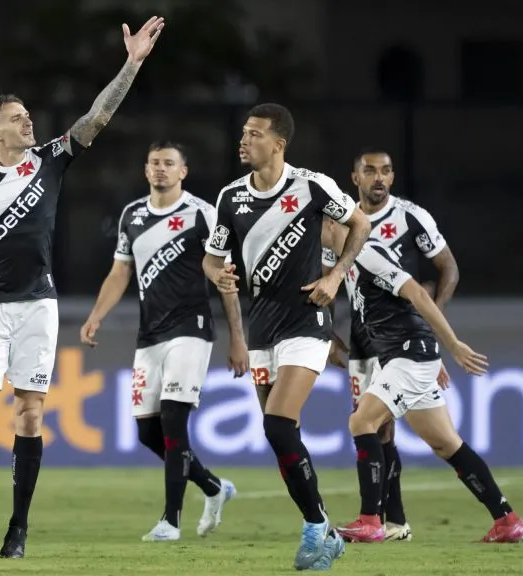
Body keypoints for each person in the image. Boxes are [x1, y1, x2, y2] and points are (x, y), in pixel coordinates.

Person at [0, 16, 166, 559]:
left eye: (28, 116)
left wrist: (132, 63)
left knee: (29, 414)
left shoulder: (51, 158)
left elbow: (98, 115)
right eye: (16, 118)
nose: (28, 123)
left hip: (36, 309)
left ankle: (18, 527)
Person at [203, 102, 372, 570]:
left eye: (254, 134)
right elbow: (213, 259)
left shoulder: (312, 186)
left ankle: (315, 528)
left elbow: (360, 222)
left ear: (278, 144)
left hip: (306, 321)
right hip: (261, 326)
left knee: (278, 422)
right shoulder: (230, 197)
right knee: (279, 435)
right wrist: (219, 276)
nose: (244, 140)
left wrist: (336, 276)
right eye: (243, 132)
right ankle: (324, 526)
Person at [80, 141, 246, 542]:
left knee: (174, 421)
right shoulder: (132, 215)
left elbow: (226, 281)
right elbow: (120, 271)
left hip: (191, 328)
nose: (160, 170)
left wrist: (237, 339)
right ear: (145, 169)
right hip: (149, 334)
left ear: (183, 172)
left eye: (169, 164)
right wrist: (96, 315)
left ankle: (170, 521)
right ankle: (212, 486)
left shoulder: (203, 214)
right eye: (154, 163)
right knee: (146, 432)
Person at [324, 232, 523, 544]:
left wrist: (452, 345)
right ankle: (507, 519)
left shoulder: (368, 252)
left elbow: (417, 294)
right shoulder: (345, 260)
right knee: (447, 444)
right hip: (406, 354)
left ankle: (369, 521)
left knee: (362, 421)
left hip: (408, 354)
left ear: (331, 221)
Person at [326, 148, 460, 542]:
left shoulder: (409, 215)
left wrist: (430, 326)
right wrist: (329, 333)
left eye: (385, 171)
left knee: (375, 426)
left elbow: (447, 267)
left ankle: (383, 519)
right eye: (370, 171)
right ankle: (391, 520)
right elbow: (327, 278)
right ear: (356, 178)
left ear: (393, 177)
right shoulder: (341, 223)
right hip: (363, 341)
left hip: (402, 335)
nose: (378, 178)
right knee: (376, 429)